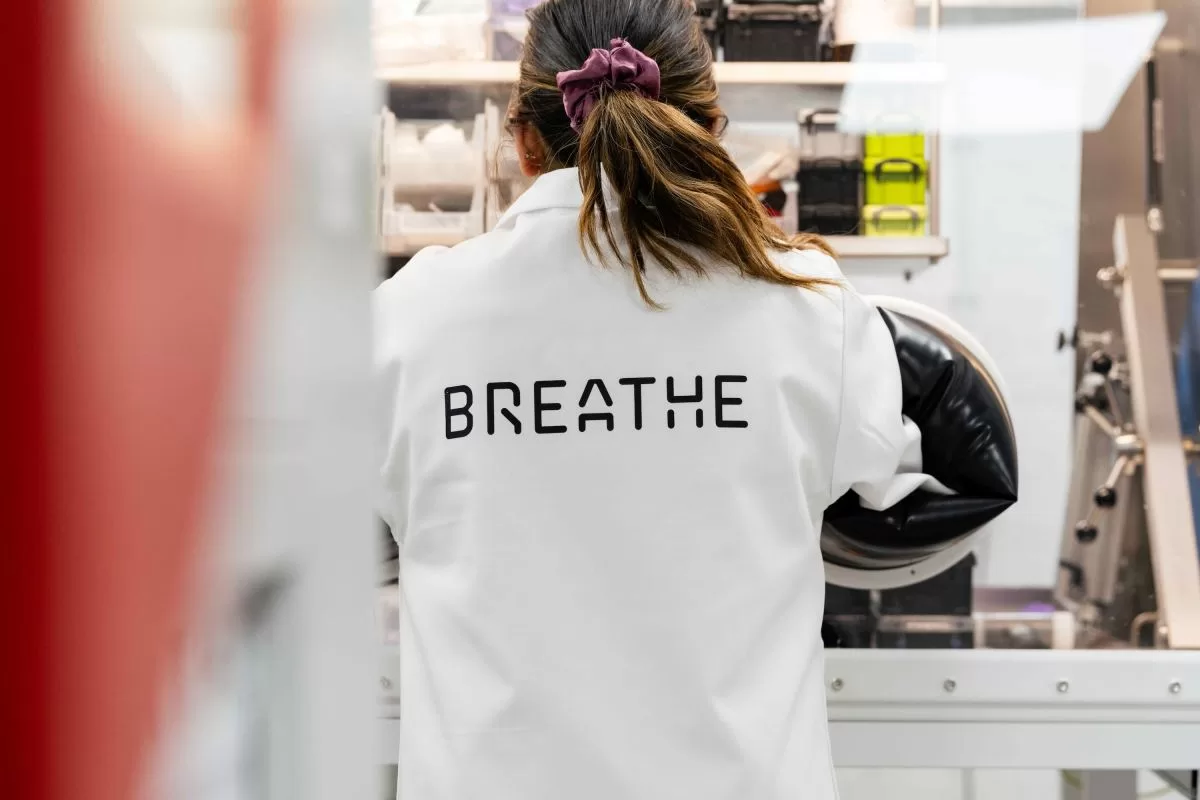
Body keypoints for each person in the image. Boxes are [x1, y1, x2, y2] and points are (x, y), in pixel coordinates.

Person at [374, 1, 919, 797]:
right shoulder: (810, 307)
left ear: (524, 139)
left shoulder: (408, 319)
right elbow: (892, 488)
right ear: (711, 130)